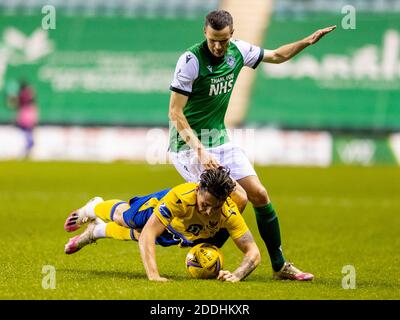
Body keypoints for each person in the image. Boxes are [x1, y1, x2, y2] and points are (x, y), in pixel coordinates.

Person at [168, 10, 336, 281]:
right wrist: (201, 151)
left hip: (219, 139)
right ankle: (195, 245)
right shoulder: (190, 60)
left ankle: (280, 265)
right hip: (188, 146)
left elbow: (278, 56)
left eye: (223, 40)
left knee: (258, 193)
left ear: (231, 34)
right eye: (213, 40)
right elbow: (175, 113)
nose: (218, 46)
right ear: (205, 33)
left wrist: (306, 42)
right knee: (238, 198)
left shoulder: (239, 52)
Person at [63, 167, 261, 282]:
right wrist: (154, 275)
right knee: (127, 220)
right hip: (156, 209)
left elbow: (253, 252)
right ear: (198, 189)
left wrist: (237, 275)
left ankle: (95, 231)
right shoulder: (180, 198)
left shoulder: (228, 212)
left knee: (140, 235)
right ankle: (93, 207)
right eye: (205, 204)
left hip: (183, 231)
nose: (209, 211)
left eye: (215, 207)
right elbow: (149, 233)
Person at [6, 80, 39, 159]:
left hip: (25, 116)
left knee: (28, 137)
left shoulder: (22, 95)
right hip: (27, 116)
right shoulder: (28, 95)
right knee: (28, 137)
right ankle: (25, 151)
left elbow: (15, 104)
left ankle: (25, 152)